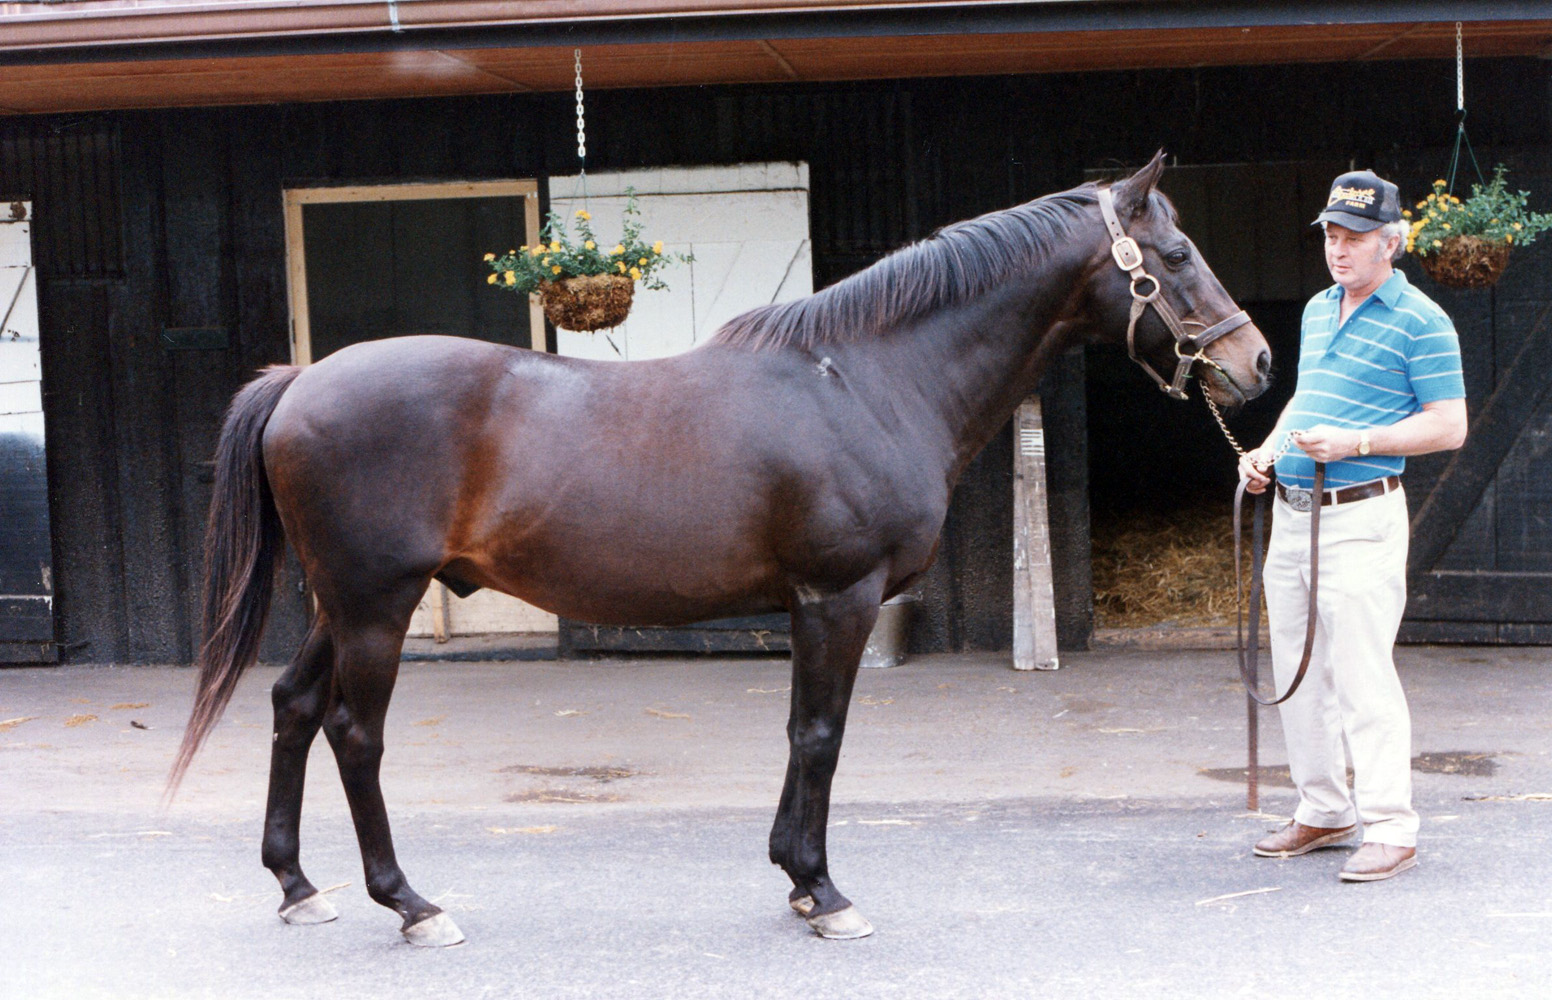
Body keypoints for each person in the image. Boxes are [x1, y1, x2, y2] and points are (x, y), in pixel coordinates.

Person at [1238, 170, 1468, 881]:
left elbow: (1450, 427)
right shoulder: (1316, 310)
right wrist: (1267, 455)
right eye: (1333, 235)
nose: (1339, 249)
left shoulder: (1423, 320)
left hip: (1361, 514)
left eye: (1355, 237)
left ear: (1390, 244)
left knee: (1363, 675)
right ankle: (1325, 809)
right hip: (1294, 515)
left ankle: (1393, 826)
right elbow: (1307, 400)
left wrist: (1357, 444)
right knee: (1299, 671)